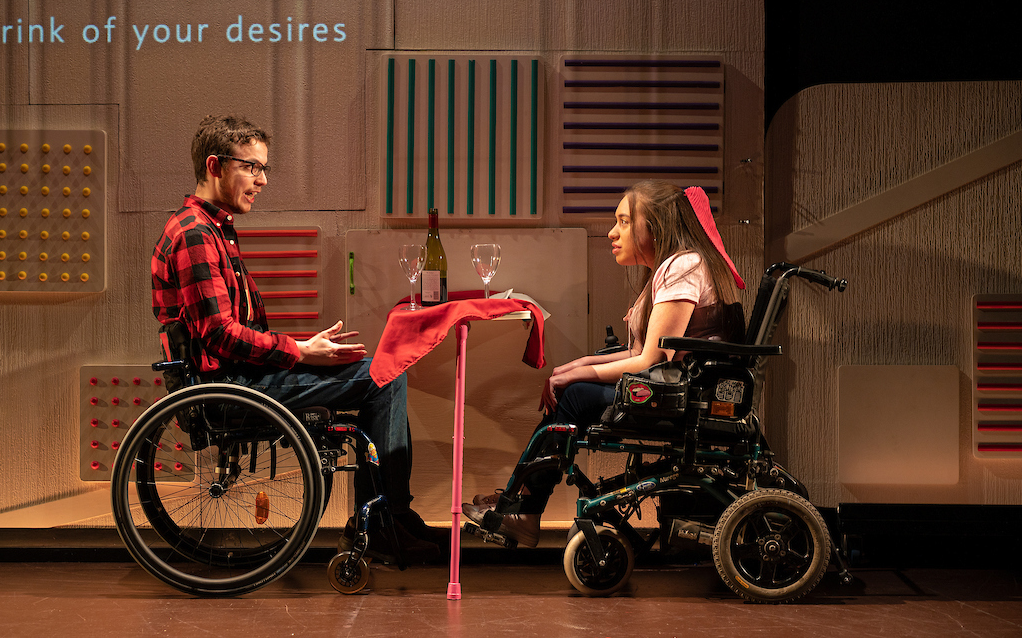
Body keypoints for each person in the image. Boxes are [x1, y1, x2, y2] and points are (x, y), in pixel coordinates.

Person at [151, 114, 444, 563]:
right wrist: (300, 351)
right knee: (383, 377)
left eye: (264, 168)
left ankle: (387, 518)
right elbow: (220, 335)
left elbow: (233, 332)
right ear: (215, 166)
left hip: (242, 376)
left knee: (384, 367)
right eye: (251, 167)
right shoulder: (195, 234)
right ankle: (387, 522)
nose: (262, 180)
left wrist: (305, 351)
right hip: (229, 390)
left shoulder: (212, 229)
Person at [461, 180, 744, 547]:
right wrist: (568, 368)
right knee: (570, 386)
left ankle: (525, 510)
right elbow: (636, 354)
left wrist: (572, 377)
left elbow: (650, 359)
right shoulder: (669, 268)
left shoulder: (683, 265)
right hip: (675, 387)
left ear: (654, 226)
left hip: (685, 397)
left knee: (574, 395)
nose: (612, 232)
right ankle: (523, 505)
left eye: (624, 222)